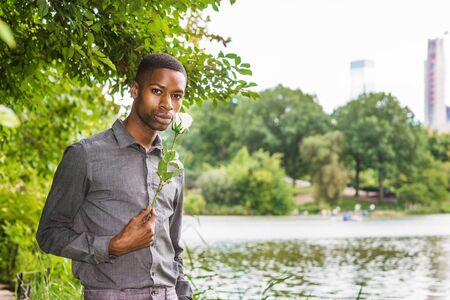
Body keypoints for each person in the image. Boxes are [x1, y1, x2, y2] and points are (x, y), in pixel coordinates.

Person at [36, 53, 193, 300]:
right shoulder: (85, 155)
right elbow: (49, 234)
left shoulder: (173, 166)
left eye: (177, 96)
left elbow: (174, 247)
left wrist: (182, 294)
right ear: (135, 90)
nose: (168, 104)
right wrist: (111, 246)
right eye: (157, 91)